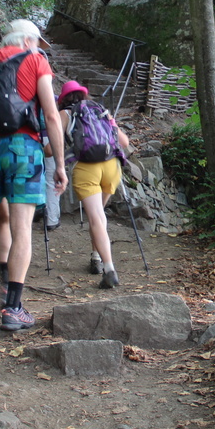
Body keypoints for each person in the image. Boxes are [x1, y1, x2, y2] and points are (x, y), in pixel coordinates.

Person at [0, 19, 67, 331]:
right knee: (23, 226)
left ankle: (5, 283)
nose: (40, 50)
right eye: (38, 44)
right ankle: (14, 308)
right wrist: (59, 164)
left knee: (2, 219)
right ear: (27, 41)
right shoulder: (35, 61)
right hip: (22, 148)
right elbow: (50, 114)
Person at [57, 81, 130, 288]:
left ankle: (109, 270)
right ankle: (96, 258)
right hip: (112, 167)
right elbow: (123, 142)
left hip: (87, 168)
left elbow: (51, 149)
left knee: (96, 218)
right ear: (84, 95)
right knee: (99, 217)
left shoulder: (65, 114)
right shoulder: (101, 111)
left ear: (63, 99)